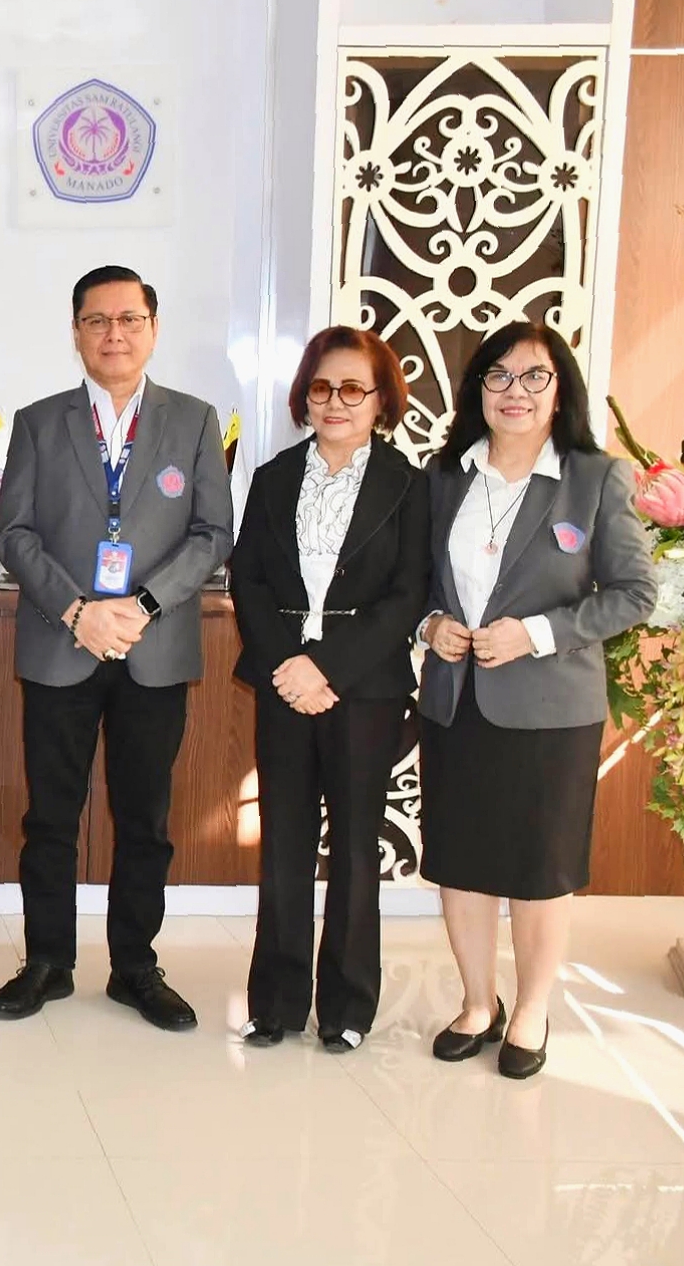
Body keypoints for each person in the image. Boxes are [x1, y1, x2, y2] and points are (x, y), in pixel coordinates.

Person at [0, 265, 234, 1032]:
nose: (114, 334)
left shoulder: (194, 421)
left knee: (145, 819)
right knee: (51, 816)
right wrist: (76, 610)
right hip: (64, 644)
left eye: (129, 319)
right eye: (97, 320)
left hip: (153, 648)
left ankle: (135, 966)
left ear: (153, 329)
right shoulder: (38, 421)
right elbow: (15, 534)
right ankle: (47, 961)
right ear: (77, 333)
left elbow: (212, 534)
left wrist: (141, 605)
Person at [417, 322, 655, 1079]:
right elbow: (417, 585)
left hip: (552, 710)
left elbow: (634, 593)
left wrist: (540, 633)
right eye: (497, 376)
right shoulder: (445, 475)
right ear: (476, 389)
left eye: (533, 377)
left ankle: (531, 1009)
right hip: (457, 701)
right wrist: (433, 625)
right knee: (462, 860)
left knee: (539, 866)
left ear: (560, 392)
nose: (513, 392)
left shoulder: (595, 477)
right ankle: (478, 1002)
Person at [229, 327, 428, 1052]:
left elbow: (408, 595)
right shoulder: (274, 476)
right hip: (284, 675)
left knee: (352, 847)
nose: (335, 401)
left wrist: (330, 668)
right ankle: (276, 1002)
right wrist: (289, 663)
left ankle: (347, 1003)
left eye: (353, 388)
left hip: (363, 684)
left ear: (380, 400)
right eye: (321, 386)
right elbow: (246, 575)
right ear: (304, 395)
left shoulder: (408, 484)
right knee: (280, 842)